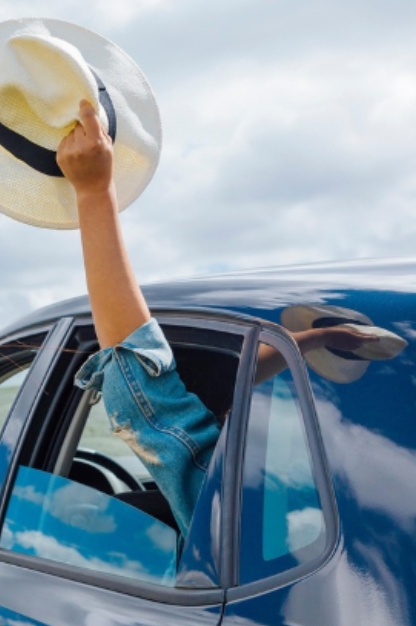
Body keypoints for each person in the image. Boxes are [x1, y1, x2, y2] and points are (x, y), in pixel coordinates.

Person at [55, 100, 377, 537]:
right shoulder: (352, 497)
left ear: (219, 416)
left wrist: (94, 194)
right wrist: (313, 340)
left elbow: (142, 391)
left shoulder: (228, 507)